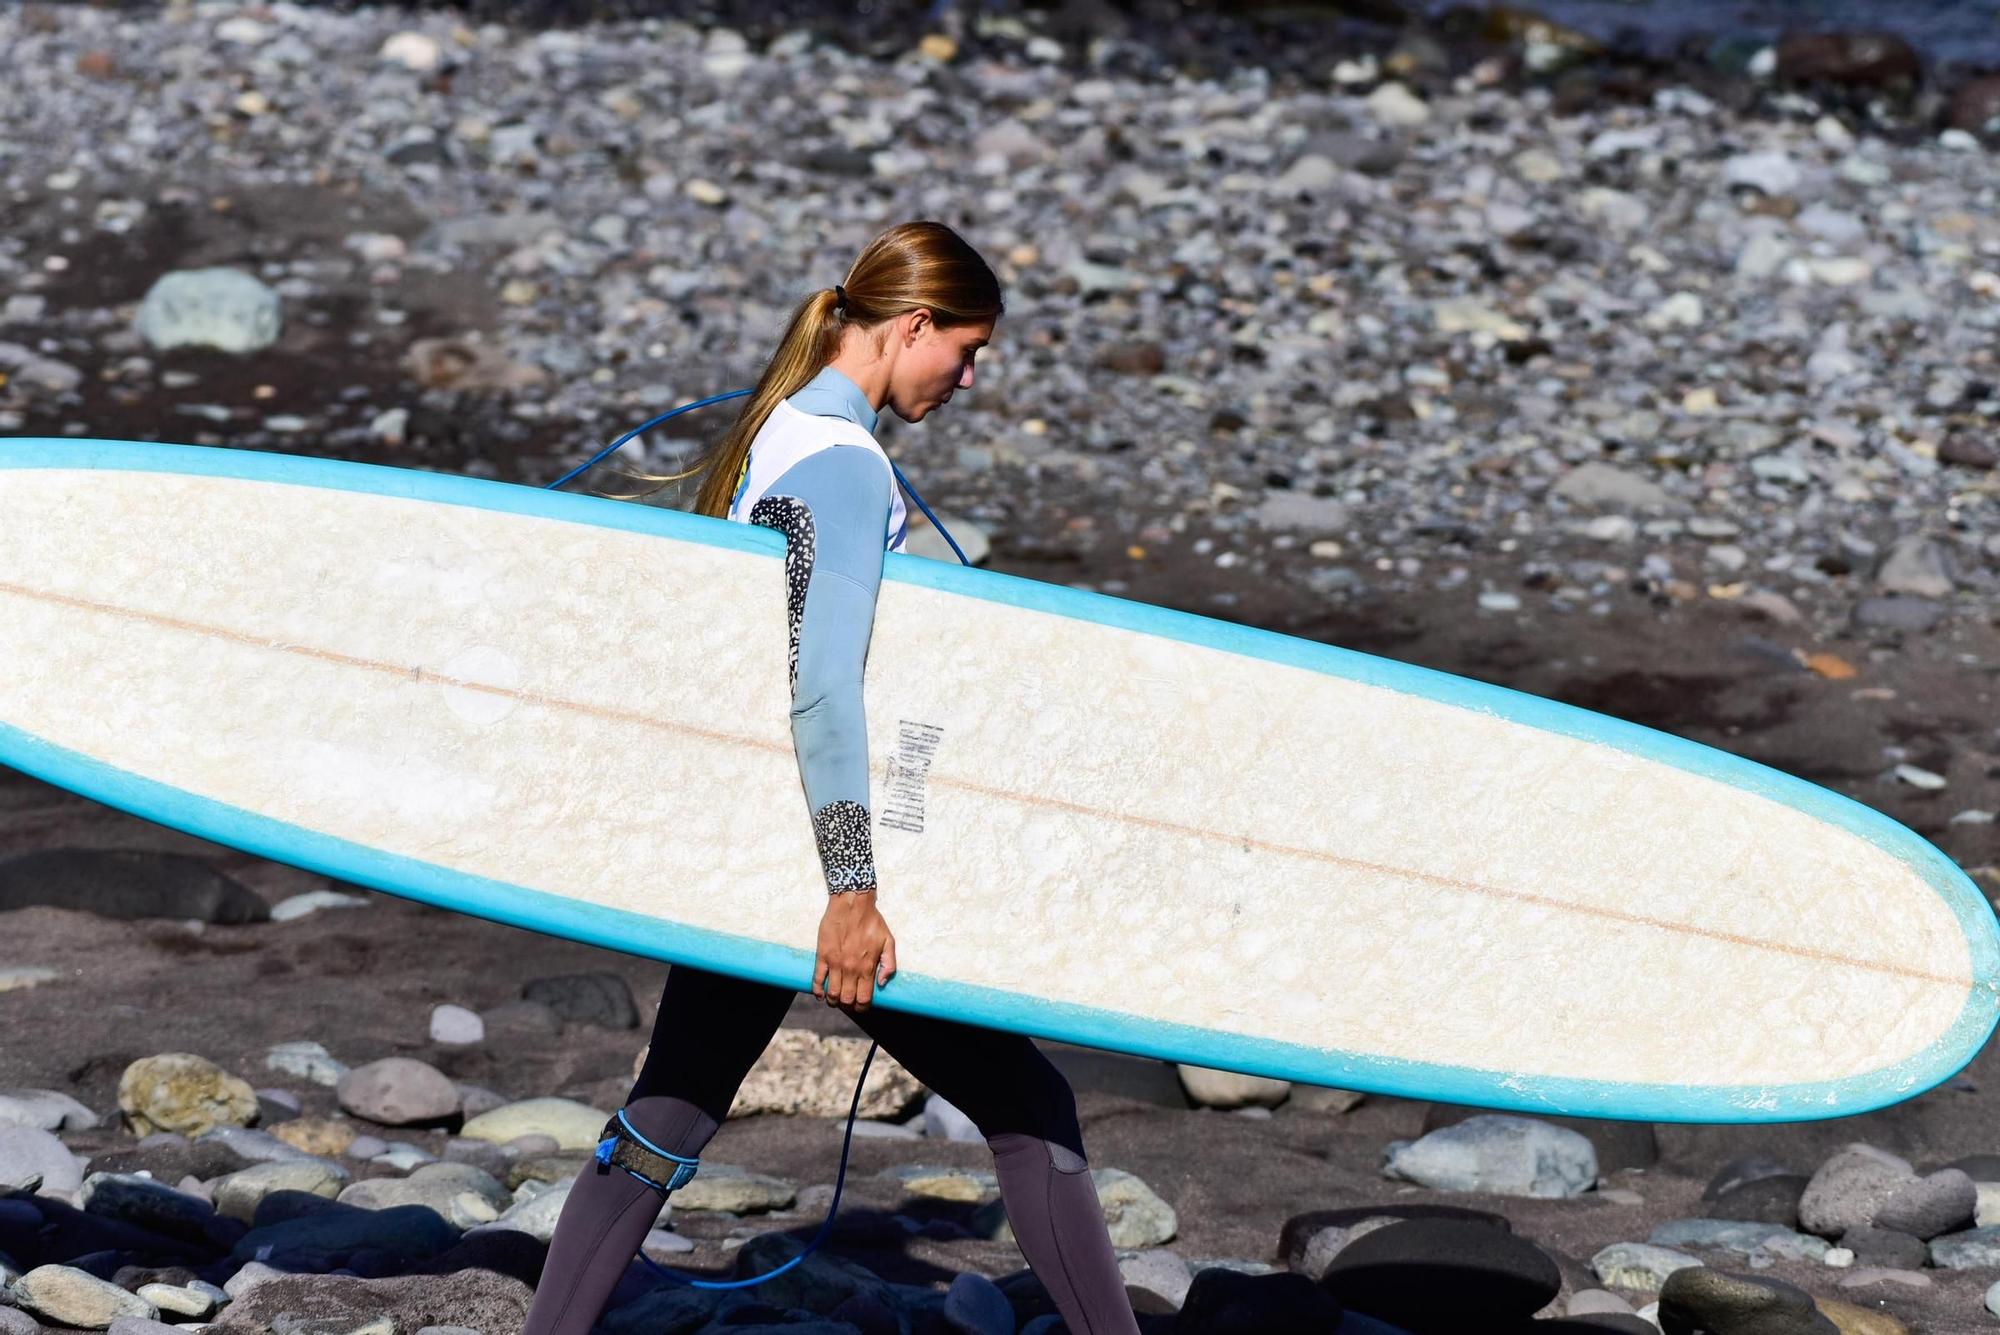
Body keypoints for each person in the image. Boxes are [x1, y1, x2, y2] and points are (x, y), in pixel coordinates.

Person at [519, 220, 1142, 1335]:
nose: (969, 375)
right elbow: (821, 687)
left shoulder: (776, 435)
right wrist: (849, 892)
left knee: (671, 1110)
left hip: (755, 842)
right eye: (967, 347)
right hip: (818, 860)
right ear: (912, 325)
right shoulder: (844, 469)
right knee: (1029, 1108)